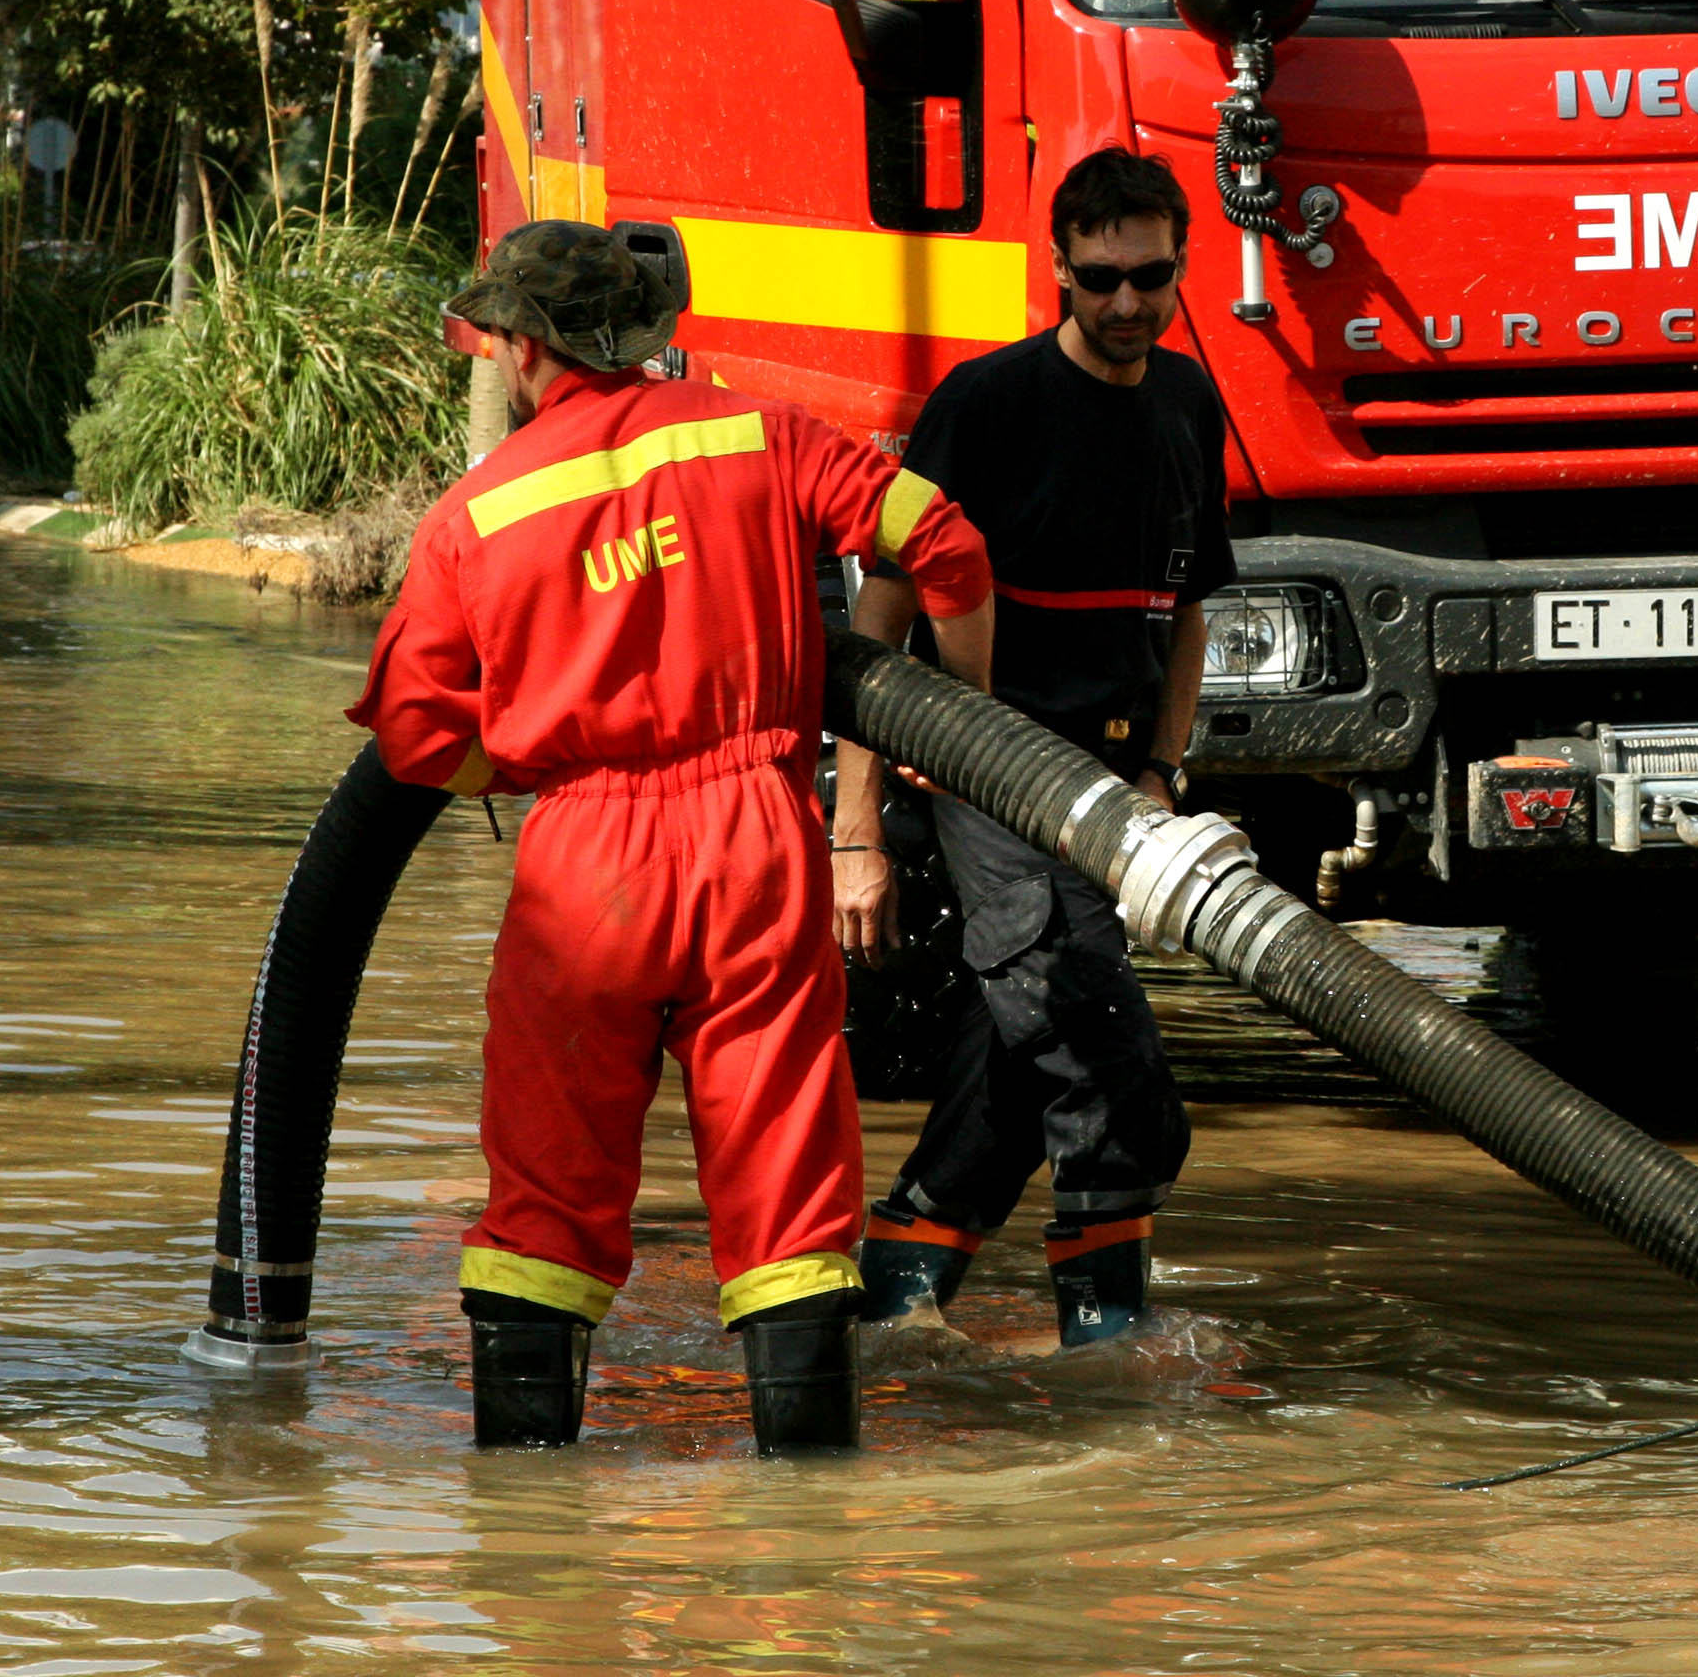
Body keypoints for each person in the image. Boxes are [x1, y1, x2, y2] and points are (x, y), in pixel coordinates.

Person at [352, 220, 997, 1451]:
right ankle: (810, 1515)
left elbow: (413, 731)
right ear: (643, 333)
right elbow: (944, 542)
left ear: (523, 349)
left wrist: (527, 761)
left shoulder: (473, 515)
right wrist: (961, 729)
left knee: (546, 1187)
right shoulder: (760, 432)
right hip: (757, 841)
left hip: (580, 864)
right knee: (785, 1176)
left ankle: (524, 1517)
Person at [838, 148, 1229, 1349]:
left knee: (1014, 1062)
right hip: (987, 779)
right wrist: (856, 834)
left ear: (1181, 268)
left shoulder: (1189, 403)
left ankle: (890, 1312)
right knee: (1100, 1054)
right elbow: (876, 626)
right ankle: (1113, 1365)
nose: (1126, 302)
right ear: (1058, 268)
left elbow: (1188, 612)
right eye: (1100, 278)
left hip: (1113, 795)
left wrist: (1164, 771)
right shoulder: (987, 404)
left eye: (1150, 276)